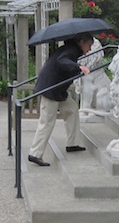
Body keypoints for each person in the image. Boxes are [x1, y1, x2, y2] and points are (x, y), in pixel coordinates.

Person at [28, 33, 94, 166]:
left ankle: (73, 143)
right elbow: (61, 61)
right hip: (51, 89)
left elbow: (63, 66)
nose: (90, 49)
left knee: (72, 109)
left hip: (58, 90)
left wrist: (76, 70)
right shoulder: (71, 50)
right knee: (47, 122)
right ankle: (35, 153)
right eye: (89, 45)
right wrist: (78, 67)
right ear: (81, 42)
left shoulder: (71, 49)